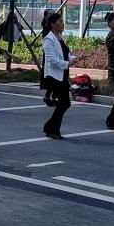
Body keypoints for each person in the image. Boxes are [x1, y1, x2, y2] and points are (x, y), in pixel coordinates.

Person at [41, 11, 73, 139]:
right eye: (60, 21)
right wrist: (67, 63)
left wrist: (76, 58)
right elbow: (52, 60)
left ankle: (50, 127)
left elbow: (65, 55)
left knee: (64, 103)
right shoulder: (49, 39)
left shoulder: (60, 38)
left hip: (62, 74)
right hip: (53, 76)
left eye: (62, 21)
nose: (62, 23)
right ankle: (51, 129)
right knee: (64, 102)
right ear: (52, 24)